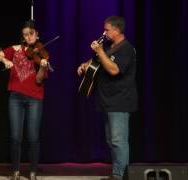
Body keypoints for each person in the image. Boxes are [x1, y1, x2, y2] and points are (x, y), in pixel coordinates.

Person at [77, 16, 138, 180]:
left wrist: (100, 51)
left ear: (117, 30)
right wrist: (85, 65)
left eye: (107, 29)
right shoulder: (111, 47)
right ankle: (116, 174)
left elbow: (113, 70)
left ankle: (120, 176)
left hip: (120, 101)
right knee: (111, 142)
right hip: (107, 101)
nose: (104, 32)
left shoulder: (126, 48)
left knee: (118, 142)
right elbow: (98, 60)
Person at [0, 20, 50, 180]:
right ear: (22, 37)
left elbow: (38, 80)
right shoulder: (15, 49)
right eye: (25, 34)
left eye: (31, 34)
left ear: (37, 34)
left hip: (35, 98)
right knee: (15, 136)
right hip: (15, 97)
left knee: (33, 137)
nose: (28, 37)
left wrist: (43, 67)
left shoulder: (41, 52)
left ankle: (33, 172)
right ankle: (15, 171)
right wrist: (4, 60)